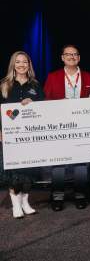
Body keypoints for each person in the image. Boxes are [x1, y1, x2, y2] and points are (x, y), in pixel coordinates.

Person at [44, 44, 90, 211]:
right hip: (59, 126)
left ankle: (80, 195)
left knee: (81, 163)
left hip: (82, 127)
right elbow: (44, 102)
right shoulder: (52, 77)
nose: (71, 57)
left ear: (79, 58)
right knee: (58, 162)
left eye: (75, 54)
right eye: (68, 54)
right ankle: (57, 196)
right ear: (62, 58)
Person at [0, 51, 44, 218]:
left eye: (24, 62)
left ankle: (25, 202)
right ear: (13, 64)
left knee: (29, 170)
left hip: (30, 136)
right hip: (10, 136)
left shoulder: (35, 85)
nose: (21, 65)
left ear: (29, 64)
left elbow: (45, 109)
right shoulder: (4, 85)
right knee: (13, 171)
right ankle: (15, 204)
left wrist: (33, 104)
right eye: (18, 62)